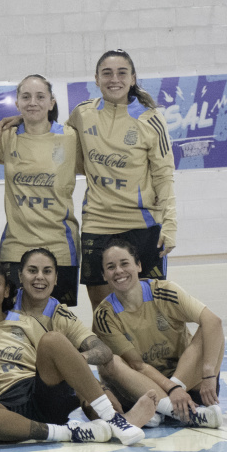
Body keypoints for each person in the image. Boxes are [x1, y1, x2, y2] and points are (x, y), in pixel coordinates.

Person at [0, 262, 145, 447]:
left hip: (40, 391)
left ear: (6, 290)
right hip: (3, 403)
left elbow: (55, 359)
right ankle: (69, 432)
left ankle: (113, 419)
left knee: (53, 339)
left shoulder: (25, 322)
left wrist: (99, 390)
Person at [70, 50, 176, 310]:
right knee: (104, 309)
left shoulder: (151, 119)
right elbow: (58, 144)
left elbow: (164, 176)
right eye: (107, 73)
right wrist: (21, 121)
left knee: (150, 308)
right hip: (97, 222)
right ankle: (112, 353)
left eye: (121, 73)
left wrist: (170, 223)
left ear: (133, 78)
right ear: (96, 78)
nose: (113, 79)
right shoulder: (82, 114)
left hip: (141, 225)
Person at [93, 240, 224, 428]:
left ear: (138, 265)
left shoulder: (165, 291)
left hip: (185, 382)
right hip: (144, 389)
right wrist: (172, 389)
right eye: (111, 267)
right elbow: (137, 365)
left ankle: (161, 410)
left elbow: (214, 322)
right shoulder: (105, 315)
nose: (119, 271)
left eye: (124, 263)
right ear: (104, 275)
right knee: (111, 361)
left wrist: (208, 375)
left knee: (210, 330)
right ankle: (177, 411)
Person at [0, 75, 81, 306]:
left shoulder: (70, 137)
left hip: (60, 245)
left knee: (58, 322)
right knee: (14, 322)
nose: (33, 102)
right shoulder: (6, 136)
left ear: (52, 102)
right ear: (17, 103)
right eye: (26, 97)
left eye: (40, 97)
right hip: (16, 246)